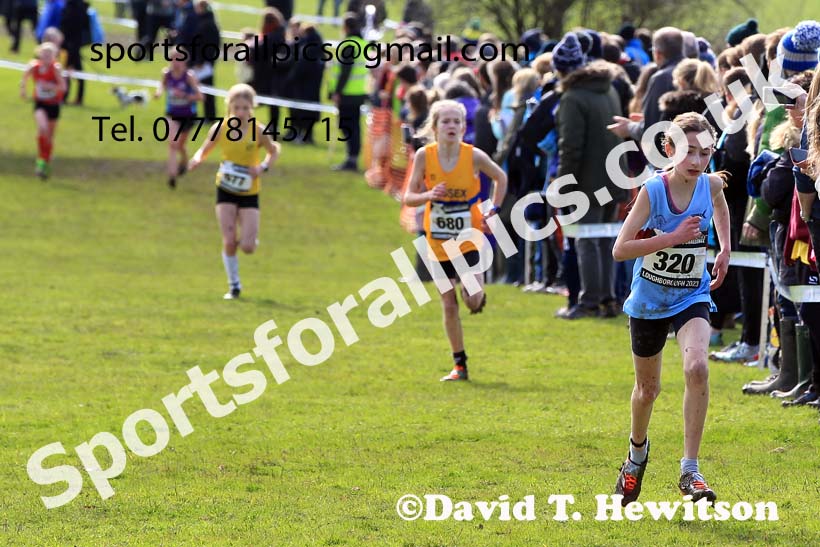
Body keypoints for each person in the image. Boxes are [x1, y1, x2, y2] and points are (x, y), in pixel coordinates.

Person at [611, 112, 730, 505]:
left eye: (705, 153)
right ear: (669, 148)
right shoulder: (653, 191)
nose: (697, 162)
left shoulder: (710, 184)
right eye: (689, 152)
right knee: (648, 390)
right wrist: (673, 238)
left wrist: (725, 248)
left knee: (697, 368)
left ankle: (690, 469)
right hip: (649, 300)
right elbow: (620, 250)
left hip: (691, 295)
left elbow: (720, 204)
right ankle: (636, 456)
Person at [402, 100, 507, 382]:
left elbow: (500, 177)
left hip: (469, 237)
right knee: (449, 303)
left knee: (472, 301)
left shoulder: (473, 156)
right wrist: (428, 195)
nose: (451, 126)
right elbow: (408, 197)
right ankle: (459, 365)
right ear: (434, 127)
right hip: (436, 241)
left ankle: (477, 292)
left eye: (456, 121)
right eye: (445, 121)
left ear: (463, 127)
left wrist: (493, 209)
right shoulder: (425, 155)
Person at [188, 84, 281, 299]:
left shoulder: (258, 130)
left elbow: (274, 151)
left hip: (249, 191)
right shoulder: (221, 128)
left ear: (252, 108)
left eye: (245, 108)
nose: (241, 112)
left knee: (248, 246)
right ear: (229, 106)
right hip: (226, 188)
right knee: (229, 239)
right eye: (237, 107)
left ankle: (250, 237)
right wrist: (196, 159)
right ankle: (234, 285)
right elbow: (205, 148)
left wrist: (262, 167)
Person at [154, 51, 203, 189]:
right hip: (172, 114)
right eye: (173, 59)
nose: (175, 63)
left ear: (184, 61)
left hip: (188, 115)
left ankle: (185, 160)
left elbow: (200, 97)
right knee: (173, 144)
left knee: (180, 145)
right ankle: (172, 175)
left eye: (179, 60)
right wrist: (158, 93)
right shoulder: (166, 74)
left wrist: (185, 95)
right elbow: (162, 85)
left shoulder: (189, 77)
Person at [20, 42, 66, 179]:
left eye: (49, 55)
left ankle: (44, 162)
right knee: (43, 128)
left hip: (54, 105)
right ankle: (41, 161)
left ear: (54, 56)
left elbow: (63, 88)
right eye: (44, 54)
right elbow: (25, 76)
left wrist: (50, 87)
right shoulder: (34, 66)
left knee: (49, 137)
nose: (46, 57)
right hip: (40, 104)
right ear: (39, 53)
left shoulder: (56, 69)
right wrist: (23, 89)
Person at [328, 13, 368, 171]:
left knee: (348, 126)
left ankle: (351, 159)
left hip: (348, 93)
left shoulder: (349, 45)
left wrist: (337, 91)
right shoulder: (361, 43)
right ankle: (352, 157)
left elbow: (345, 70)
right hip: (357, 92)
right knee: (352, 126)